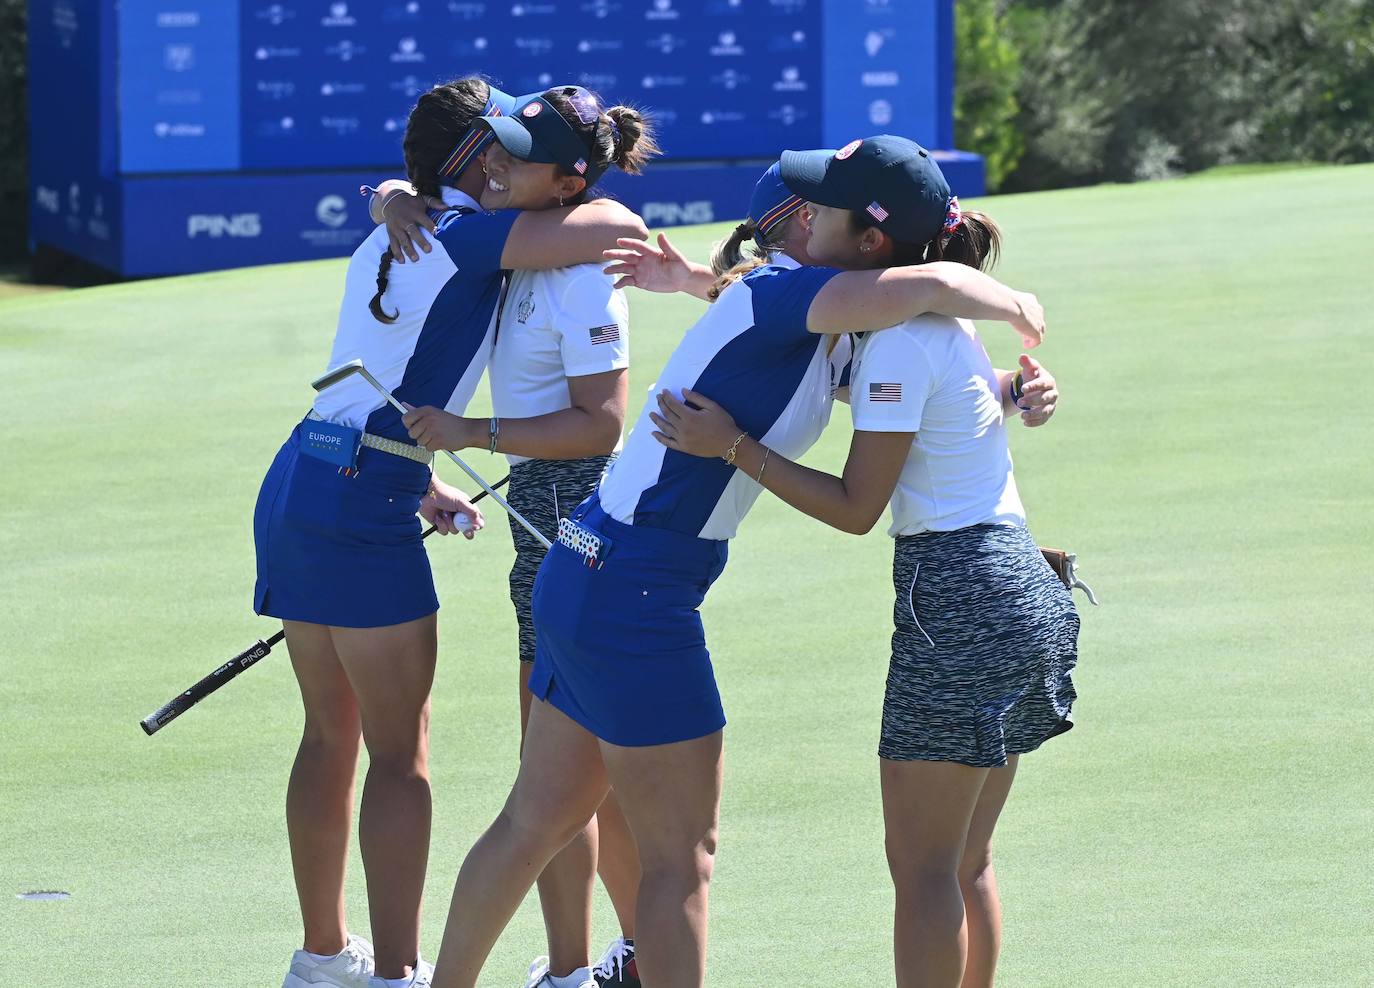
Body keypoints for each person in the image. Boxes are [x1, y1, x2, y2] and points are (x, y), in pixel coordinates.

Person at [424, 143, 1049, 988]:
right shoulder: (798, 293)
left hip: (590, 563)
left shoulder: (812, 316)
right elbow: (930, 287)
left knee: (533, 822)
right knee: (681, 860)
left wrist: (1008, 392)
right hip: (638, 589)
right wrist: (1017, 300)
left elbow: (906, 387)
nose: (792, 223)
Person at [647, 137, 1077, 988]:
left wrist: (731, 446)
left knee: (922, 874)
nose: (806, 220)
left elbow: (855, 508)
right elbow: (846, 354)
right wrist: (697, 282)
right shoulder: (915, 325)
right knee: (962, 862)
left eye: (824, 211)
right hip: (1026, 589)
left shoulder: (893, 340)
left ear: (871, 240)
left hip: (960, 598)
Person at [253, 77, 648, 988]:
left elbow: (373, 385)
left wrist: (420, 478)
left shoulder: (396, 226)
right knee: (399, 753)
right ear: (472, 157)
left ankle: (321, 960)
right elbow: (612, 228)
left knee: (327, 736)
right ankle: (395, 975)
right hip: (358, 502)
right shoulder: (466, 232)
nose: (511, 154)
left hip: (307, 473)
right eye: (497, 142)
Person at [391, 86, 656, 988]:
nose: (492, 167)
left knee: (571, 786)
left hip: (580, 528)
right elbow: (421, 196)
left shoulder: (584, 273)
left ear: (569, 177)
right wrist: (389, 195)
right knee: (568, 783)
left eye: (511, 156)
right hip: (538, 532)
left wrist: (474, 436)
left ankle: (614, 961)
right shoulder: (527, 241)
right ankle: (584, 966)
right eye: (491, 151)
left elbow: (603, 423)